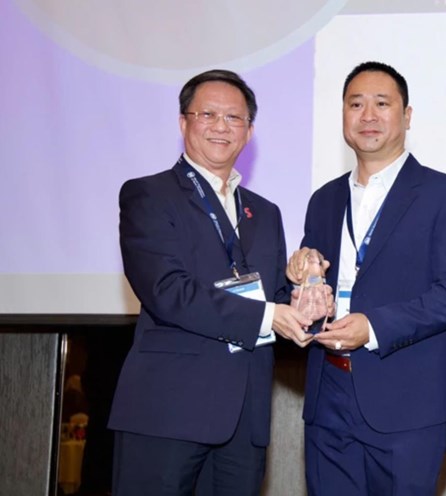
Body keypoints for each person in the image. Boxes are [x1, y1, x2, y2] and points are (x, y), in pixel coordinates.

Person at [108, 69, 314, 496]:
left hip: (245, 418)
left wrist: (305, 295)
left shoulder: (266, 212)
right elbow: (168, 291)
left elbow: (272, 299)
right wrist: (271, 315)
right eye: (208, 114)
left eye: (234, 118)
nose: (221, 126)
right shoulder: (149, 195)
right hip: (168, 412)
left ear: (249, 131)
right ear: (184, 122)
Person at [286, 61, 446, 495]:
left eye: (381, 103)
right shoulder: (324, 199)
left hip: (408, 400)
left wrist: (373, 327)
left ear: (407, 116)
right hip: (327, 394)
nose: (367, 116)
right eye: (356, 104)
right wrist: (298, 277)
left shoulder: (444, 193)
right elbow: (310, 289)